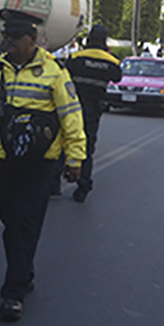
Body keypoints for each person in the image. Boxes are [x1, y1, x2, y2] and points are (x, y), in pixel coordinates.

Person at [0, 8, 86, 323]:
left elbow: (71, 117)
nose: (7, 43)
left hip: (39, 164)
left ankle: (14, 293)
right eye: (5, 37)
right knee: (10, 223)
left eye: (14, 38)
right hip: (2, 160)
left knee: (25, 223)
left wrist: (76, 159)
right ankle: (24, 272)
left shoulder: (55, 72)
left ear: (32, 39)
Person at [65, 25, 122, 203]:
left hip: (71, 107)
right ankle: (83, 186)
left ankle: (53, 185)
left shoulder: (76, 57)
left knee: (64, 142)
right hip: (93, 109)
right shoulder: (111, 61)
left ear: (88, 40)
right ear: (105, 42)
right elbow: (117, 77)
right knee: (87, 147)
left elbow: (64, 75)